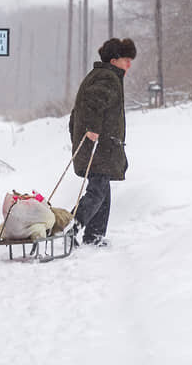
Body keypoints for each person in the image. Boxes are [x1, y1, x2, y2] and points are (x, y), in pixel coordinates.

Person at [68, 38, 136, 247]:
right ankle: (70, 229)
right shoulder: (108, 78)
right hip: (99, 147)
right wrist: (92, 130)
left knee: (102, 191)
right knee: (98, 190)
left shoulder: (102, 75)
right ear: (114, 60)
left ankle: (94, 235)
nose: (129, 65)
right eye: (126, 60)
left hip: (101, 147)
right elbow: (91, 104)